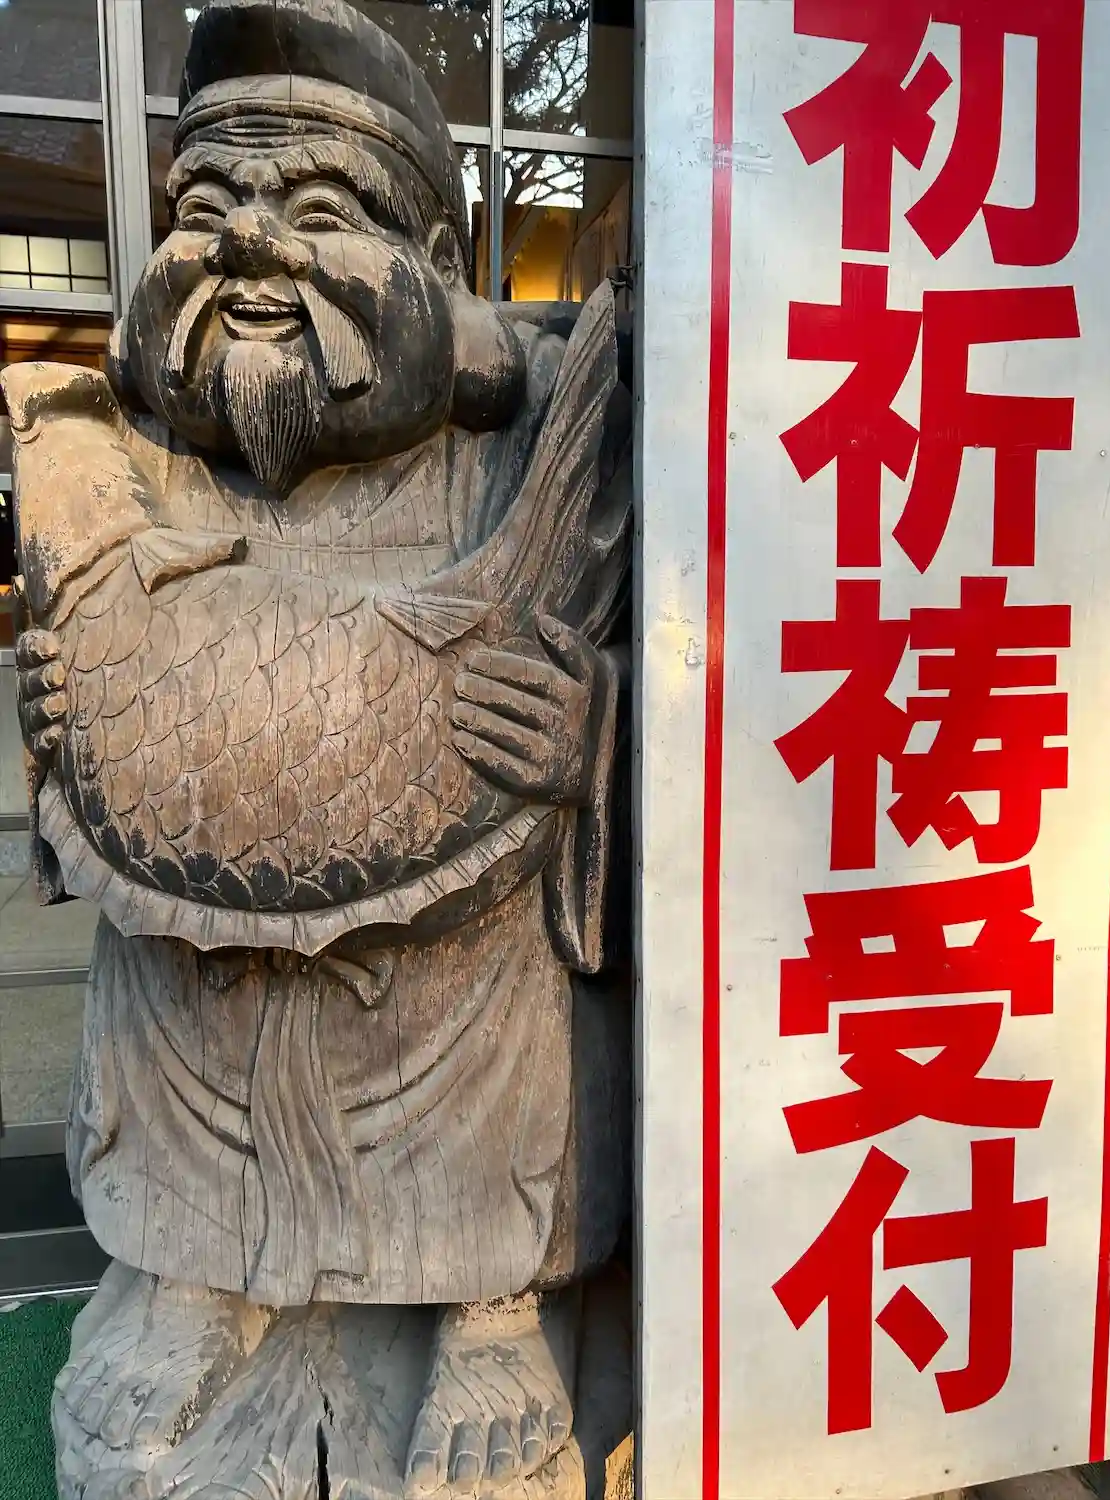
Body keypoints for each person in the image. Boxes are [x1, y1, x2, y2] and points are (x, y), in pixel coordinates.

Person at [9, 2, 631, 1494]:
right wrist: (65, 727)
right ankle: (193, 1270)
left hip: (456, 970)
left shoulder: (520, 452)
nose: (250, 246)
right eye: (208, 205)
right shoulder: (148, 456)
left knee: (497, 965)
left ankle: (490, 1303)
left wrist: (591, 730)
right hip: (199, 969)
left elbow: (675, 682)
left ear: (433, 264)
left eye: (319, 210)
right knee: (165, 972)